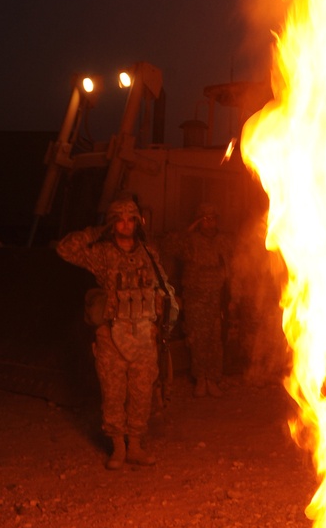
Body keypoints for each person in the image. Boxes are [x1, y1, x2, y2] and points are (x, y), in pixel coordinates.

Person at [56, 196, 177, 469]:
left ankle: (135, 445)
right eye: (119, 219)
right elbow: (65, 248)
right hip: (112, 334)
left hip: (145, 334)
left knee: (142, 392)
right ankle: (118, 448)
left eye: (130, 219)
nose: (126, 224)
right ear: (113, 223)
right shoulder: (101, 252)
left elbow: (160, 288)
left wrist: (161, 325)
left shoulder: (148, 253)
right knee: (113, 393)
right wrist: (98, 230)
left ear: (137, 222)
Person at [164, 202, 234, 397]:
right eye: (204, 219)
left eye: (212, 219)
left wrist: (232, 297)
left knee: (215, 341)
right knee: (197, 340)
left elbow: (231, 268)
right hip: (195, 298)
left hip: (216, 298)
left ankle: (212, 379)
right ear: (198, 221)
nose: (209, 223)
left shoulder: (223, 241)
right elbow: (169, 246)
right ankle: (200, 379)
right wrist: (190, 228)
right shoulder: (190, 241)